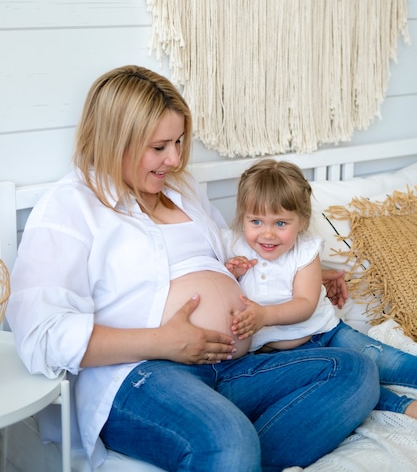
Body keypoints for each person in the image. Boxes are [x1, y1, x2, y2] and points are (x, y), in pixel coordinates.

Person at [7, 65, 379, 472]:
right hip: (142, 376)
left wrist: (295, 271)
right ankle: (230, 450)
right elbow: (42, 336)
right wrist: (163, 342)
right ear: (116, 140)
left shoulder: (181, 191)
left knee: (354, 371)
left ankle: (236, 459)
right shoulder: (70, 206)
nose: (176, 158)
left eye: (180, 141)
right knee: (228, 440)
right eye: (160, 146)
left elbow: (226, 261)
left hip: (231, 366)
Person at [225, 159, 417, 420]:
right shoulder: (234, 246)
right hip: (285, 356)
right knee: (346, 385)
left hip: (326, 333)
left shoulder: (305, 252)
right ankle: (403, 406)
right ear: (242, 217)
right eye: (256, 221)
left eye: (280, 223)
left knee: (388, 361)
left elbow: (305, 303)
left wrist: (264, 316)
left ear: (302, 221)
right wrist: (230, 272)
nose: (267, 234)